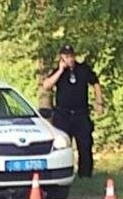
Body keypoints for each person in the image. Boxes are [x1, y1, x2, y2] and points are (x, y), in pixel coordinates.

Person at [42, 44, 104, 177]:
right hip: (63, 115)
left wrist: (99, 102)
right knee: (63, 146)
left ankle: (85, 175)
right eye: (66, 57)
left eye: (71, 56)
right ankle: (63, 173)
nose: (69, 59)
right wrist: (60, 70)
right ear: (61, 58)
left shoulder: (83, 69)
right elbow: (47, 85)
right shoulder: (57, 72)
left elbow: (95, 83)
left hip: (81, 114)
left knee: (85, 144)